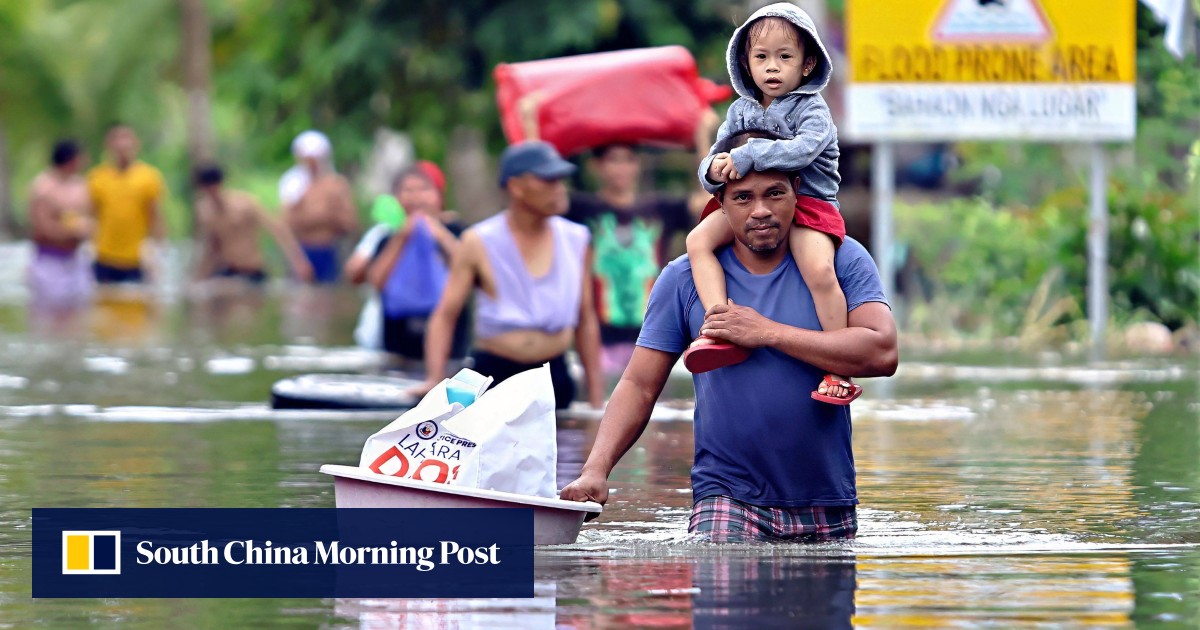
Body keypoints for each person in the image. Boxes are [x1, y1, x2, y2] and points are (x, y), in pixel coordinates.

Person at [561, 137, 898, 542]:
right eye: (742, 198)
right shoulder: (684, 278)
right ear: (719, 206)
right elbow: (638, 383)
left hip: (826, 497)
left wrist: (767, 332)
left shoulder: (839, 259)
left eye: (775, 193)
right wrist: (595, 470)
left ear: (798, 192)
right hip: (725, 498)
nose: (760, 211)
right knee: (724, 589)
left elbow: (882, 352)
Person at [685, 4, 855, 406]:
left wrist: (745, 158)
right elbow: (715, 156)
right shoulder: (740, 110)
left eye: (785, 57)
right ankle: (718, 325)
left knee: (818, 269)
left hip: (808, 203)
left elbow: (802, 150)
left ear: (808, 63)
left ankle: (839, 366)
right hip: (752, 204)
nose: (772, 68)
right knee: (697, 242)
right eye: (762, 57)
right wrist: (713, 172)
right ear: (746, 62)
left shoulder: (812, 109)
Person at [412, 141, 605, 410]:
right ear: (516, 186)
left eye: (561, 180)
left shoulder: (577, 239)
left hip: (553, 376)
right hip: (494, 374)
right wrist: (433, 378)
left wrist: (597, 401)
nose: (560, 188)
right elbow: (445, 314)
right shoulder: (478, 241)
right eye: (548, 180)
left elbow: (586, 319)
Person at [345, 161, 469, 363]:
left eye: (424, 189)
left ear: (439, 196)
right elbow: (376, 281)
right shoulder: (388, 237)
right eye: (408, 190)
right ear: (396, 198)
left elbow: (468, 270)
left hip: (450, 347)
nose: (416, 197)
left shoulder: (457, 232)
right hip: (397, 346)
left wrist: (438, 234)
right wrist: (402, 238)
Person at [191, 164, 313, 283]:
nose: (211, 192)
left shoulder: (244, 204)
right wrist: (199, 276)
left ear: (220, 183)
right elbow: (212, 247)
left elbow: (277, 230)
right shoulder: (205, 212)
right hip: (228, 271)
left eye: (213, 186)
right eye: (206, 188)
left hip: (252, 269)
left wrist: (299, 262)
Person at [87, 124, 166, 283]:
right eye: (116, 138)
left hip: (136, 260)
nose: (122, 144)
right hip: (104, 258)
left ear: (136, 143)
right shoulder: (97, 178)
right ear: (108, 144)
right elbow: (92, 216)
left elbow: (155, 216)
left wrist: (157, 251)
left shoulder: (149, 177)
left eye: (126, 138)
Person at [281, 130, 358, 283]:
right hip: (303, 250)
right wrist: (298, 260)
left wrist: (329, 213)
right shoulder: (292, 184)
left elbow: (350, 222)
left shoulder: (336, 184)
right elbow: (286, 225)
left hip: (330, 249)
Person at [27, 140, 93, 307]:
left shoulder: (80, 185)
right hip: (50, 261)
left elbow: (87, 217)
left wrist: (87, 228)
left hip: (75, 260)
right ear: (72, 159)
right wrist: (71, 231)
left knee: (79, 316)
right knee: (49, 316)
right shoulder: (43, 187)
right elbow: (42, 227)